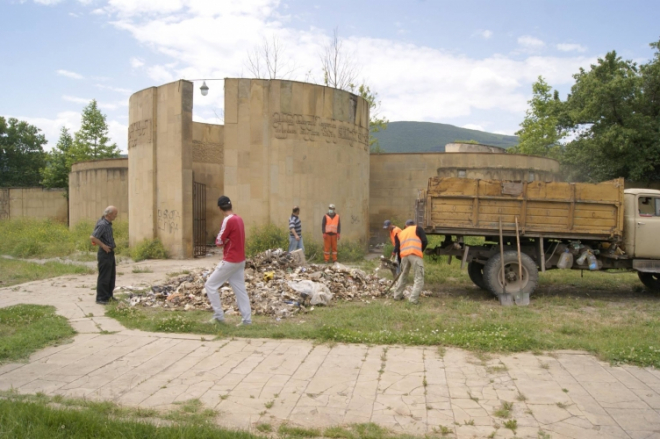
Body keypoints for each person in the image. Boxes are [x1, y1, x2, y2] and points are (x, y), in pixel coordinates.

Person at [205, 196, 252, 326]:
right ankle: (247, 320)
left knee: (210, 285)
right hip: (240, 260)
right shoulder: (239, 219)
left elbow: (219, 241)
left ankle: (219, 315)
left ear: (220, 208)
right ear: (230, 206)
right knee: (240, 290)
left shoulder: (227, 220)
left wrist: (224, 241)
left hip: (230, 259)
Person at [393, 219, 428, 304]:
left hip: (404, 256)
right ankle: (413, 300)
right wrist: (419, 250)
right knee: (419, 277)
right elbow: (425, 241)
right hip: (415, 255)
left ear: (406, 226)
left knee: (403, 275)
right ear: (413, 224)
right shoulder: (418, 228)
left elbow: (398, 248)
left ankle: (397, 296)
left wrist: (400, 260)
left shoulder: (401, 233)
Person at [90, 206, 118, 305]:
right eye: (115, 214)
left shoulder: (107, 224)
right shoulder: (103, 224)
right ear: (109, 214)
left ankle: (109, 296)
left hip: (110, 252)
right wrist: (103, 245)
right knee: (104, 276)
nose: (116, 216)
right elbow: (93, 237)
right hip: (104, 253)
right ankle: (101, 298)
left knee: (111, 275)